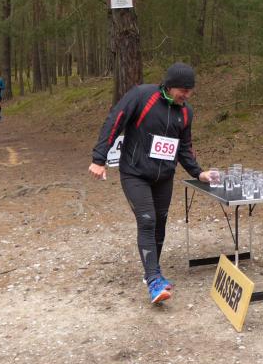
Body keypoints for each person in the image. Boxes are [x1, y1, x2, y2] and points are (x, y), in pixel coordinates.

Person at [88, 62, 212, 305]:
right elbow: (115, 121)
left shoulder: (186, 112)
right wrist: (99, 159)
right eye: (183, 90)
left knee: (160, 222)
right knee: (147, 220)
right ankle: (154, 280)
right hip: (135, 173)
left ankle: (152, 272)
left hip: (164, 177)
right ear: (170, 85)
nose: (187, 95)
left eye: (190, 91)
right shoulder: (142, 96)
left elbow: (184, 147)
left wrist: (198, 173)